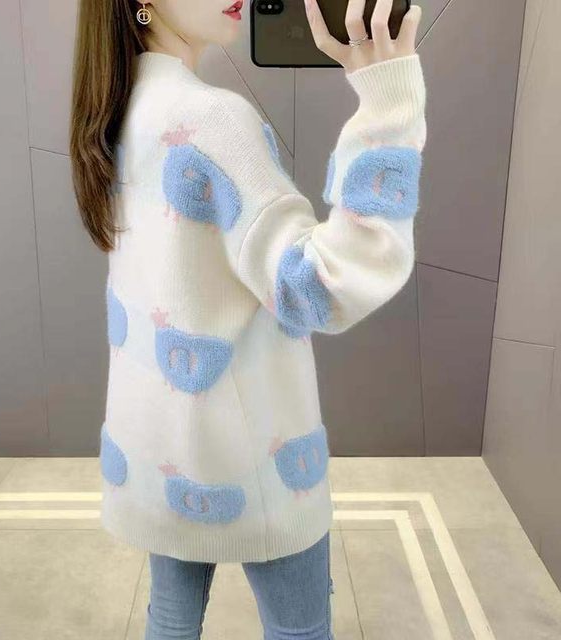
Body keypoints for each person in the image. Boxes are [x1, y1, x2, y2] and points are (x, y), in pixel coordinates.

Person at [69, 0, 426, 637]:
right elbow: (319, 286)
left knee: (170, 622)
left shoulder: (118, 113)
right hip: (254, 457)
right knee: (300, 631)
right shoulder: (212, 119)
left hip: (162, 451)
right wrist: (388, 104)